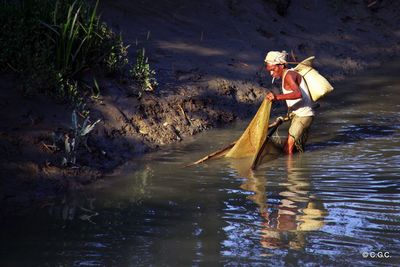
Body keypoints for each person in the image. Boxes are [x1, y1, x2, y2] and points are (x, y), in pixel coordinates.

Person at [265, 50, 314, 154]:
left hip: (303, 116)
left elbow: (298, 94)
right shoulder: (287, 75)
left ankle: (290, 169)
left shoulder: (289, 75)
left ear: (281, 65)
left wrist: (276, 97)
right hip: (297, 115)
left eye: (273, 69)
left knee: (288, 149)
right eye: (269, 70)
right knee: (292, 148)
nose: (271, 73)